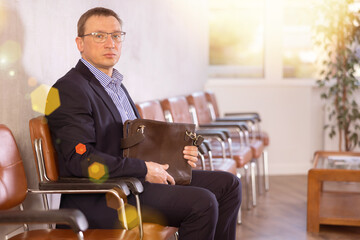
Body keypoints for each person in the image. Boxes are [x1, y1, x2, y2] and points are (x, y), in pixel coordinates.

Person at [46, 7, 241, 240]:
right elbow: (80, 159)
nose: (111, 43)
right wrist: (144, 169)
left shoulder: (114, 85)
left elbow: (132, 145)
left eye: (116, 35)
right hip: (106, 196)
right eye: (99, 35)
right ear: (80, 43)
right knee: (202, 203)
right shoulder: (70, 89)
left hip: (132, 182)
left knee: (229, 185)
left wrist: (177, 156)